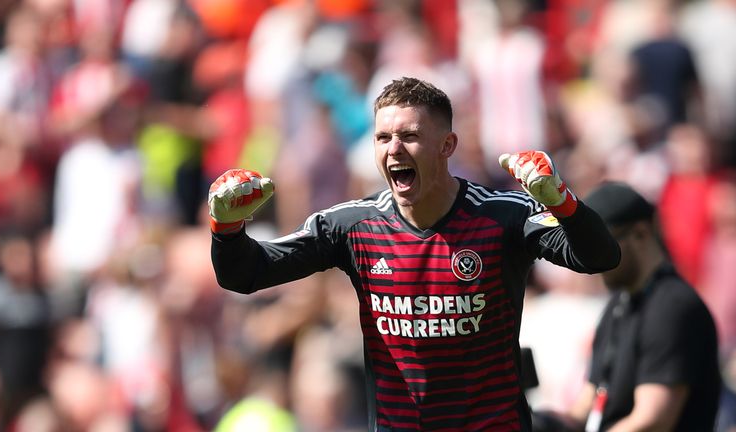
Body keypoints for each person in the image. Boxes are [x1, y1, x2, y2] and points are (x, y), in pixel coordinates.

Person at [209, 77, 620, 431]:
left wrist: (564, 205)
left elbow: (599, 257)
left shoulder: (503, 216)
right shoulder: (353, 225)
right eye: (383, 138)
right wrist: (226, 230)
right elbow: (246, 274)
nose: (394, 149)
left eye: (409, 136)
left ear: (447, 145)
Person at [534, 181, 721, 432]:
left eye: (604, 243)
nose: (594, 256)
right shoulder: (619, 304)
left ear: (641, 233)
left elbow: (653, 420)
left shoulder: (674, 306)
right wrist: (540, 423)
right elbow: (585, 408)